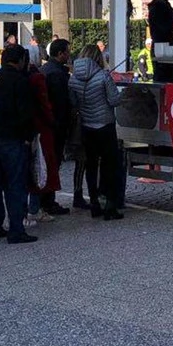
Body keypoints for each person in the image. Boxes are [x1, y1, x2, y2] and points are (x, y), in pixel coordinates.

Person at [0, 44, 37, 244]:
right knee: (15, 184)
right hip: (14, 138)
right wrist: (28, 137)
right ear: (20, 60)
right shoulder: (20, 81)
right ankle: (16, 228)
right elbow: (26, 113)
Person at [69, 44, 123, 221]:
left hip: (86, 126)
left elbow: (73, 103)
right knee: (110, 166)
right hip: (105, 126)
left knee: (90, 166)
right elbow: (114, 100)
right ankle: (110, 205)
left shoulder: (73, 78)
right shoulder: (103, 76)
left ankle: (94, 203)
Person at [26, 52, 63, 225]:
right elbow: (44, 104)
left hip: (27, 130)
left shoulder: (33, 75)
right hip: (41, 130)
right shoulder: (36, 78)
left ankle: (29, 208)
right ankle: (35, 207)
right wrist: (53, 121)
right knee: (40, 168)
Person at [38, 38, 72, 216]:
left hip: (47, 125)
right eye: (67, 52)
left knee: (47, 163)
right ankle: (48, 200)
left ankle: (45, 199)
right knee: (52, 163)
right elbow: (61, 104)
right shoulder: (57, 74)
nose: (69, 55)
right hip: (55, 126)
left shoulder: (45, 70)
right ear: (60, 54)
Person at [147, 0, 173, 83]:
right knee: (165, 80)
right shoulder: (158, 8)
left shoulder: (164, 6)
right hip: (163, 52)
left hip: (165, 50)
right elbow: (165, 28)